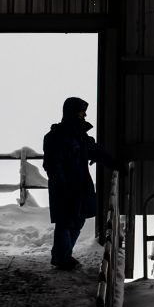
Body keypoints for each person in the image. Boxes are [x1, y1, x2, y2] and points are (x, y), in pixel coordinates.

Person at [43, 96, 120, 270]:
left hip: (79, 186)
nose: (84, 115)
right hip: (66, 187)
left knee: (77, 220)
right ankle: (62, 257)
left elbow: (97, 152)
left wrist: (116, 164)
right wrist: (63, 185)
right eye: (81, 111)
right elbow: (53, 164)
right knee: (65, 221)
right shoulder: (55, 137)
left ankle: (63, 255)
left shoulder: (81, 137)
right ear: (73, 113)